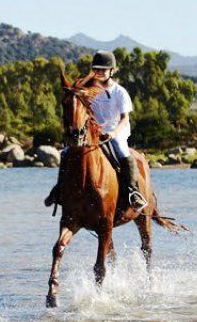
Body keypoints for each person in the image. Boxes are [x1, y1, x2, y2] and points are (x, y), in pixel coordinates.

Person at [44, 51, 148, 211]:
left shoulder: (119, 92)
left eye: (103, 70)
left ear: (111, 71)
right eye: (96, 70)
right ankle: (59, 190)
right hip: (92, 132)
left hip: (115, 131)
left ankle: (133, 192)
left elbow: (125, 119)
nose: (99, 73)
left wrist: (114, 133)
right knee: (66, 152)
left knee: (123, 153)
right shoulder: (87, 91)